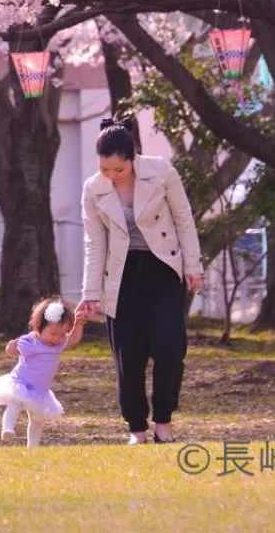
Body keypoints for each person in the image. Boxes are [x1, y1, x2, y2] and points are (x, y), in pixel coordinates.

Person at [78, 118, 204, 444]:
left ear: (133, 156)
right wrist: (91, 292)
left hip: (164, 267)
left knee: (169, 349)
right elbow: (95, 242)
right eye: (104, 169)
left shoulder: (161, 172)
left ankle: (163, 421)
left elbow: (184, 219)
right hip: (120, 275)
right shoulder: (93, 188)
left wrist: (193, 266)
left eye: (117, 169)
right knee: (128, 356)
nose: (110, 175)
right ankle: (137, 428)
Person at [0, 296, 86, 446]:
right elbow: (13, 351)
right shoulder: (31, 341)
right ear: (39, 326)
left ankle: (33, 448)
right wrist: (11, 346)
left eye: (61, 334)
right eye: (52, 333)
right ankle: (7, 429)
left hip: (40, 390)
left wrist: (79, 323)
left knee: (37, 420)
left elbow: (74, 338)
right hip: (21, 382)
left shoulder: (59, 344)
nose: (56, 338)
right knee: (15, 403)